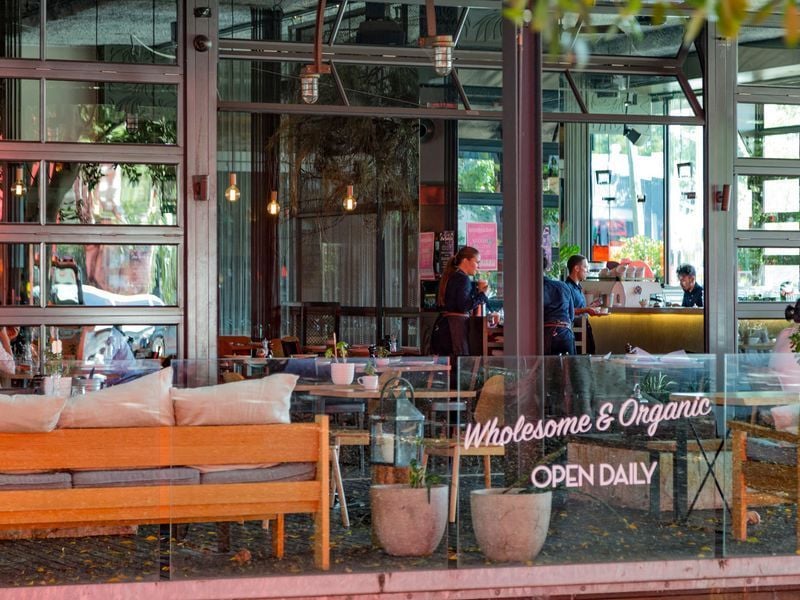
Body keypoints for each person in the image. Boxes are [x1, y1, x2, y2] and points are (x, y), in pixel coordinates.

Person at [430, 246, 489, 358]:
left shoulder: (450, 276)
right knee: (458, 364)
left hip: (442, 325)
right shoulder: (463, 279)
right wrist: (482, 295)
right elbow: (464, 306)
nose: (478, 266)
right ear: (466, 261)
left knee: (444, 365)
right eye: (477, 262)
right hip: (455, 330)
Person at [565, 254, 601, 354]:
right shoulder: (567, 287)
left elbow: (579, 308)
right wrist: (586, 309)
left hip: (584, 329)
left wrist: (589, 308)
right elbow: (567, 311)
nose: (587, 270)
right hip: (576, 333)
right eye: (585, 267)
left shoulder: (578, 287)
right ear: (576, 268)